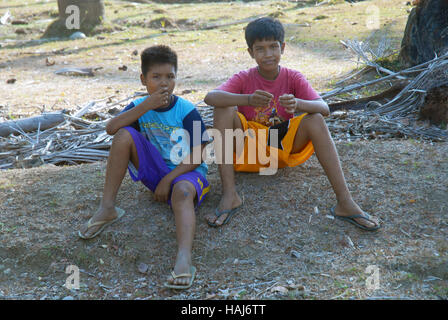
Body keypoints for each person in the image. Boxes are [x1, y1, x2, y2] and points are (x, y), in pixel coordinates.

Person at [204, 17, 380, 231]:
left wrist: (298, 104)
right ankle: (230, 195)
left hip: (281, 148)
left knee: (314, 118)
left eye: (273, 47)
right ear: (251, 53)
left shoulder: (293, 77)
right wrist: (247, 100)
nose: (268, 54)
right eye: (260, 49)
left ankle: (345, 202)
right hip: (249, 150)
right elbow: (210, 97)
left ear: (283, 48)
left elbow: (324, 109)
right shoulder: (244, 78)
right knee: (223, 107)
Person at [78, 45, 210, 289]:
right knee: (123, 135)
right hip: (156, 170)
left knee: (181, 193)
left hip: (186, 173)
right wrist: (145, 106)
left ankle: (184, 259)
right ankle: (107, 208)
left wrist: (169, 179)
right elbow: (111, 128)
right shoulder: (140, 106)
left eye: (170, 77)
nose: (164, 83)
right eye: (156, 77)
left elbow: (200, 153)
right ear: (143, 79)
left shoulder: (186, 110)